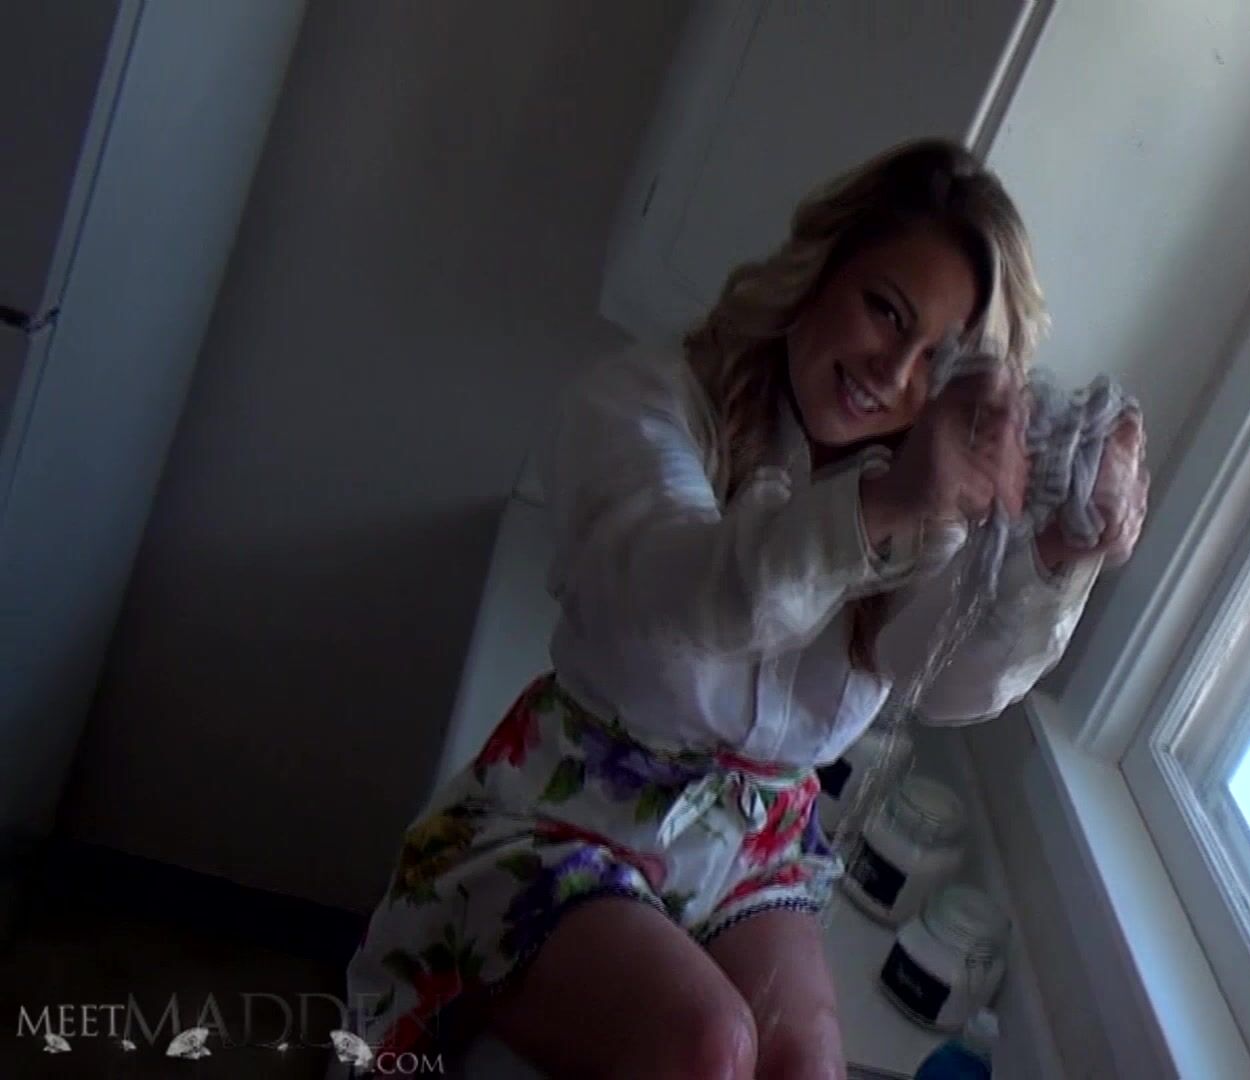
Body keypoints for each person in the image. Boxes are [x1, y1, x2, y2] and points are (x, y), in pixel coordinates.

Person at [345, 138, 1149, 1079]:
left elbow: (944, 683)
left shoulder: (912, 486)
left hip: (756, 843)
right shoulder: (645, 402)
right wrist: (880, 509)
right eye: (885, 311)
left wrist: (1055, 559)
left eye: (937, 359)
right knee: (708, 1041)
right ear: (823, 268)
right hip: (566, 816)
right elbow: (688, 598)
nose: (894, 372)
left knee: (807, 1063)